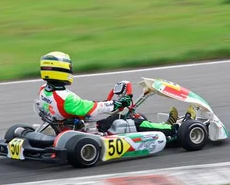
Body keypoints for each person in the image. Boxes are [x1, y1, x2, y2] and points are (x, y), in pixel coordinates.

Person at [34, 51, 191, 136]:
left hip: (62, 126)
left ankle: (159, 126)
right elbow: (91, 108)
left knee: (123, 116)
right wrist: (115, 103)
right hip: (82, 132)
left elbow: (85, 106)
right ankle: (173, 129)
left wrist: (109, 104)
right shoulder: (66, 98)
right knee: (132, 122)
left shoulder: (44, 90)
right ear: (62, 71)